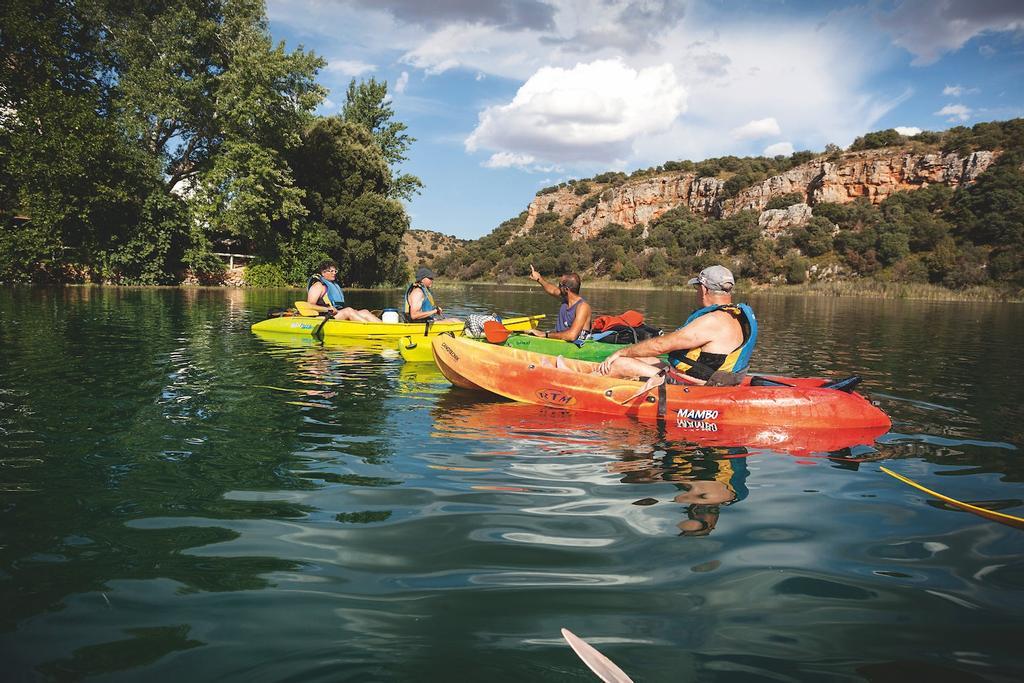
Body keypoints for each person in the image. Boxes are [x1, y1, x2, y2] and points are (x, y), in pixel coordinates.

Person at [596, 265, 757, 386]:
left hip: (694, 387)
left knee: (620, 363)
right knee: (640, 358)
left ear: (703, 289)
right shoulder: (734, 316)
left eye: (697, 288)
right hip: (714, 380)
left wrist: (621, 352)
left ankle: (584, 389)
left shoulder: (713, 320)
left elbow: (660, 345)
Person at [524, 265, 592, 343]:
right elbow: (552, 290)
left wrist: (544, 334)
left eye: (559, 285)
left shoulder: (583, 307)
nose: (558, 287)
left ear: (566, 289)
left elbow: (572, 336)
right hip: (560, 340)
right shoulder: (565, 298)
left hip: (576, 345)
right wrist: (539, 279)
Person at [306, 260, 381, 322]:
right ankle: (371, 328)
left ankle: (383, 326)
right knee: (348, 311)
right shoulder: (317, 286)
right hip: (324, 317)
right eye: (331, 271)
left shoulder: (333, 284)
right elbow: (309, 306)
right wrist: (327, 309)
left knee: (365, 312)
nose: (334, 273)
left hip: (336, 314)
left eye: (335, 271)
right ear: (323, 273)